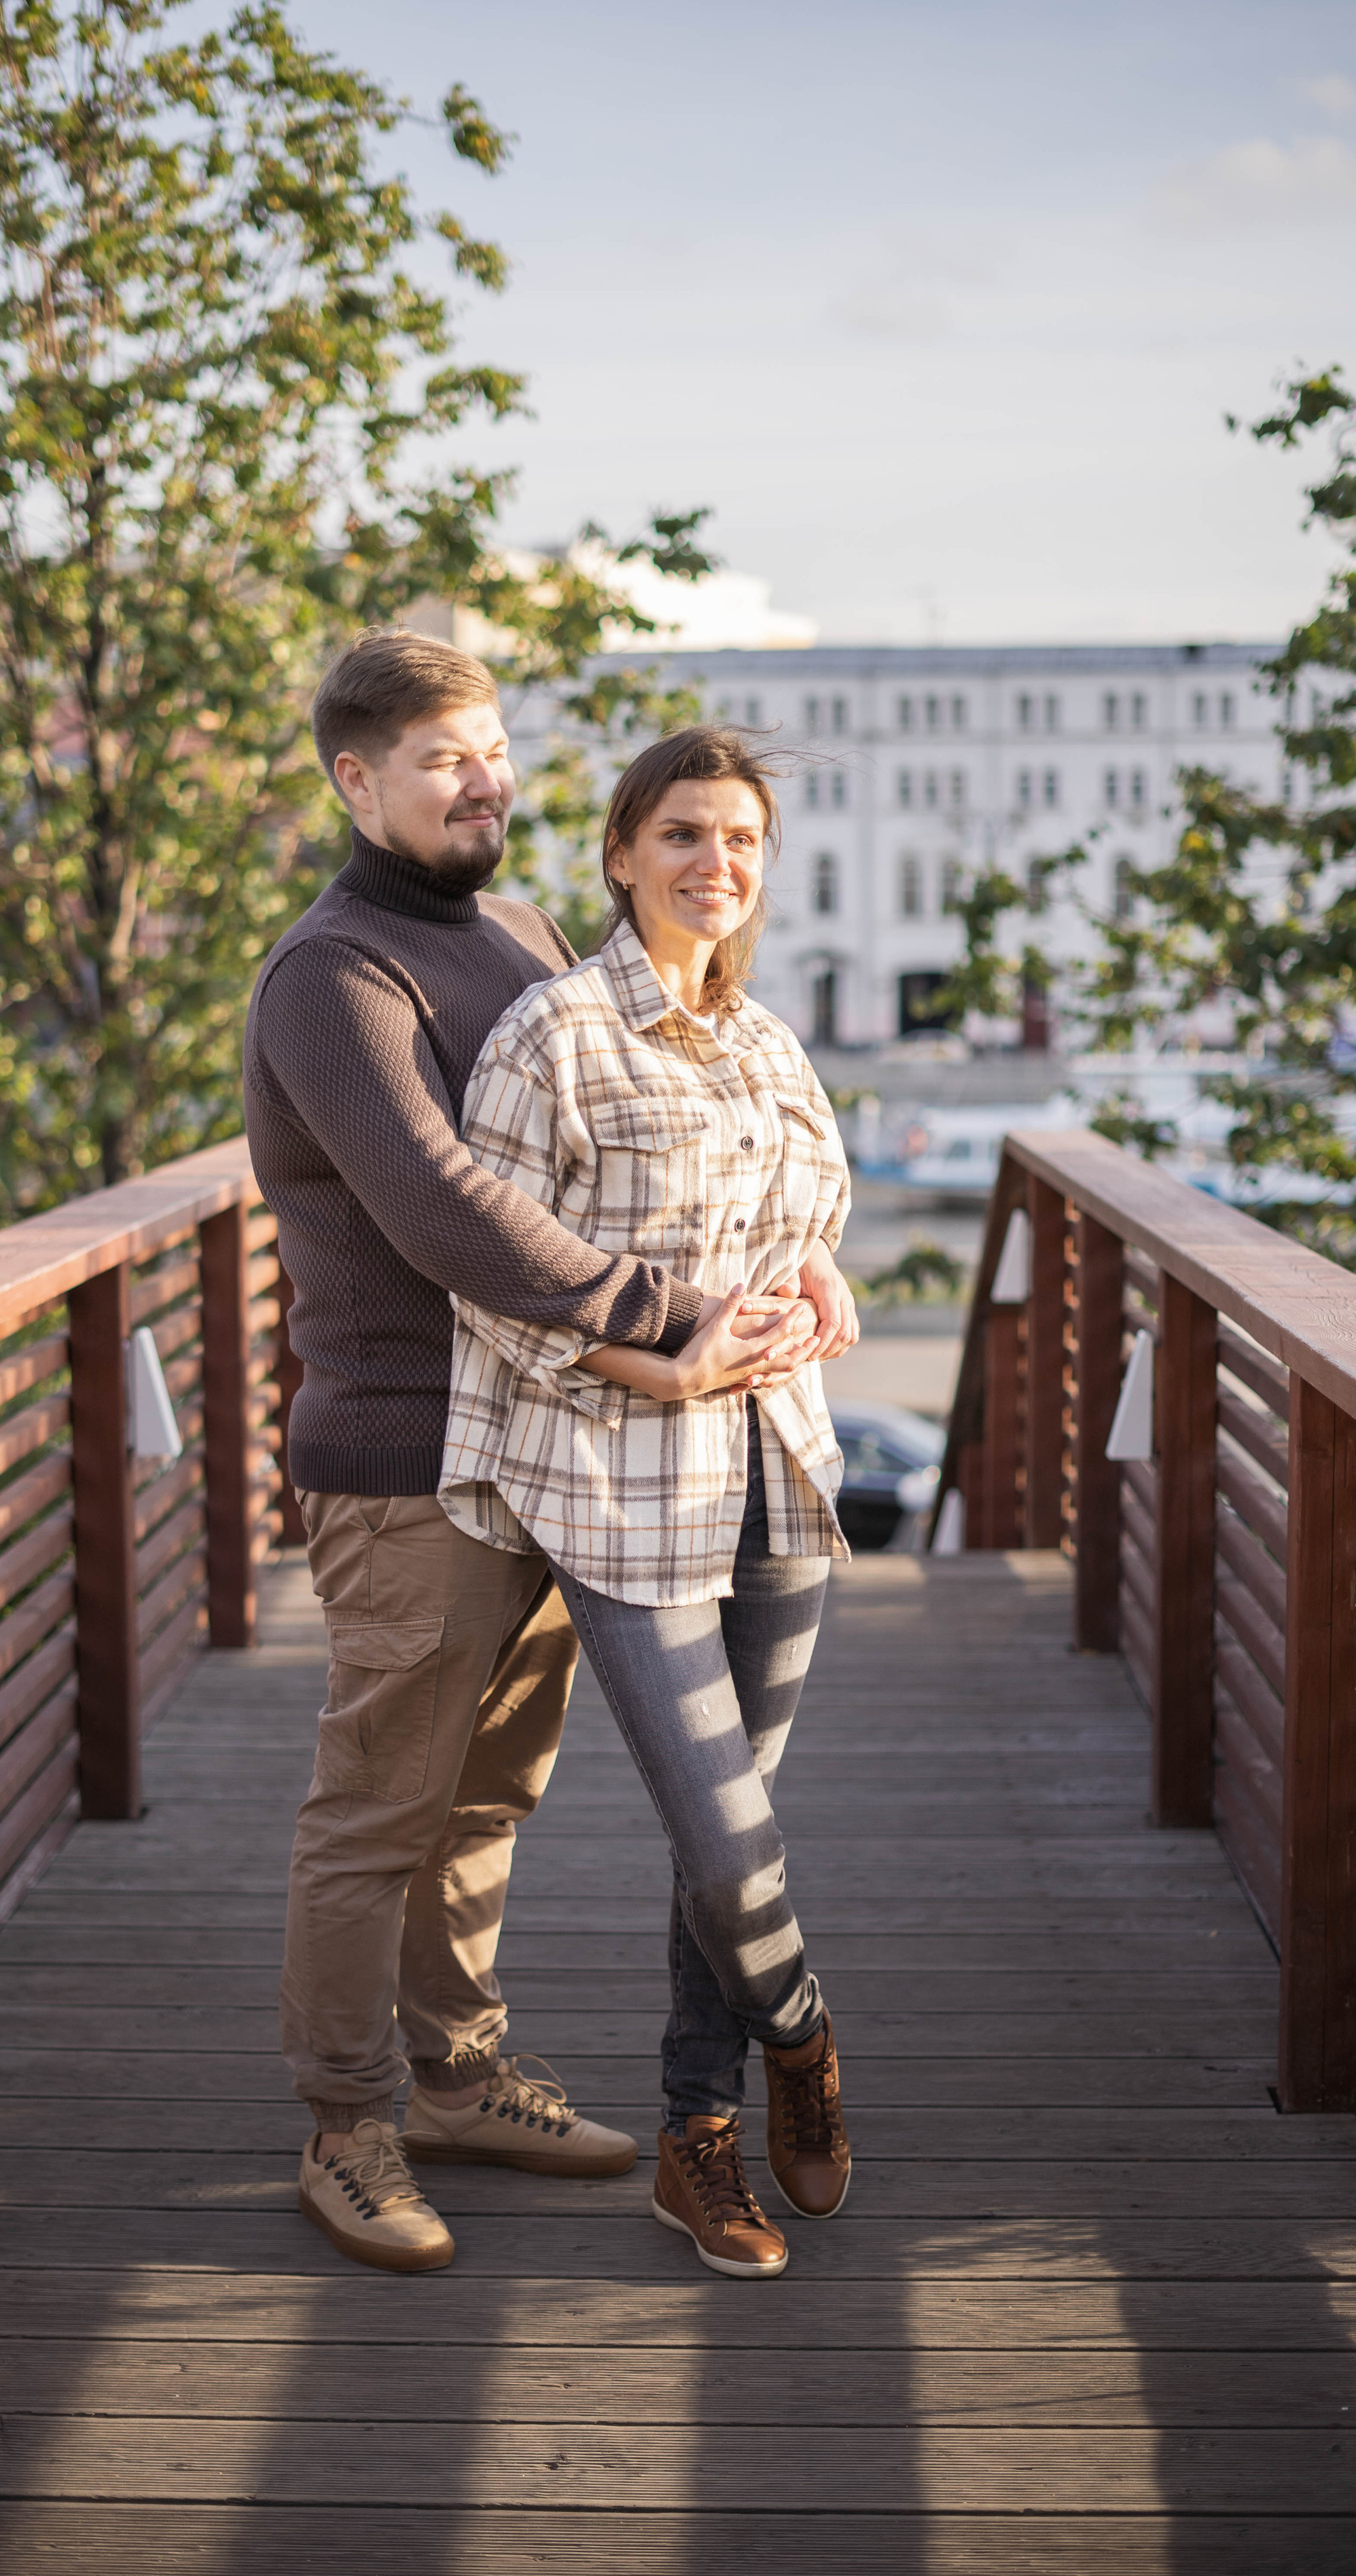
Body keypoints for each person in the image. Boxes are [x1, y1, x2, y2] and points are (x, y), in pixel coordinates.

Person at [243, 633, 853, 2272]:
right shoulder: (334, 973)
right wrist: (675, 1312)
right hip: (406, 1451)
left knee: (488, 1792)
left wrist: (795, 1256)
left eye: (494, 749)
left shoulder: (512, 934)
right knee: (379, 1803)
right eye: (443, 759)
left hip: (554, 1442)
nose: (482, 781)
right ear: (352, 778)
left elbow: (646, 1109)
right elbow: (448, 1206)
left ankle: (453, 2075)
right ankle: (347, 2119)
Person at [439, 722, 857, 2279]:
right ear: (621, 855)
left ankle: (697, 2136)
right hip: (619, 1489)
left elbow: (813, 1203)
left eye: (739, 839)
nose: (714, 863)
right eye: (682, 834)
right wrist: (651, 1366)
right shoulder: (553, 1034)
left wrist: (817, 1282)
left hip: (777, 1472)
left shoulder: (762, 1041)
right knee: (724, 1834)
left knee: (726, 1832)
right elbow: (485, 1282)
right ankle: (802, 2042)